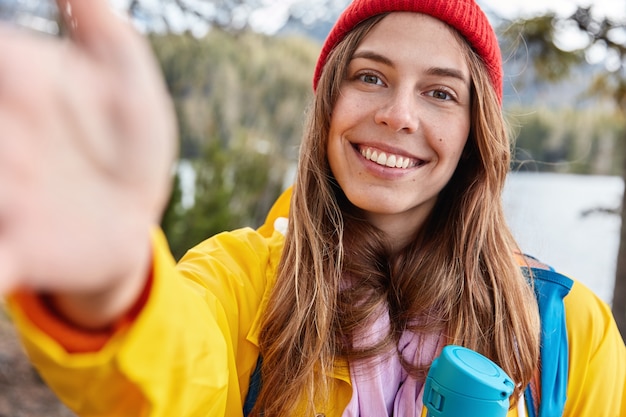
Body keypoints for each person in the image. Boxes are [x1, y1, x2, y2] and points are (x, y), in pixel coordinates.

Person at [1, 0, 624, 416]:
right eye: (370, 77)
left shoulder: (566, 329)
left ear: (473, 135)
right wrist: (112, 278)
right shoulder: (241, 279)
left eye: (439, 93)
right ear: (327, 104)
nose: (398, 115)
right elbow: (170, 376)